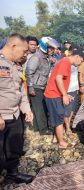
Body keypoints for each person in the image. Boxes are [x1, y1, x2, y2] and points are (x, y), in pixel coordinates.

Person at [0, 33, 34, 184]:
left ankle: (12, 174)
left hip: (14, 115)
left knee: (15, 147)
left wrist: (26, 109)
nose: (25, 54)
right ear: (13, 46)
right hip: (1, 117)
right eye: (24, 51)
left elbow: (21, 91)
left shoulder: (17, 66)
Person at [44, 49, 84, 149]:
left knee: (59, 117)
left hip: (56, 94)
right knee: (59, 119)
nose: (80, 64)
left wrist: (64, 94)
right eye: (81, 61)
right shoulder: (66, 62)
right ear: (77, 57)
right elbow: (58, 78)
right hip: (53, 95)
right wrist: (64, 95)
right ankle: (61, 142)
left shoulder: (66, 62)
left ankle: (58, 139)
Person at [25, 37, 60, 135]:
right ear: (45, 46)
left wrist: (52, 62)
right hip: (35, 86)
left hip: (42, 86)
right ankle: (43, 129)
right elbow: (29, 73)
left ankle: (37, 128)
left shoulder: (46, 57)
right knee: (40, 109)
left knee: (40, 108)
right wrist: (31, 87)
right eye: (51, 48)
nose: (52, 50)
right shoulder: (36, 57)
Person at [64, 62, 79, 138]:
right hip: (68, 91)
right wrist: (65, 93)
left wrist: (77, 88)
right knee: (67, 110)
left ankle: (68, 124)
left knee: (72, 109)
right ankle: (67, 128)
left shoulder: (76, 66)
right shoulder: (66, 65)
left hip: (75, 90)